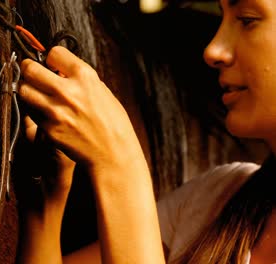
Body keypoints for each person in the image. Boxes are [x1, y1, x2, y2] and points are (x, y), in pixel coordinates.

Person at [16, 0, 276, 263]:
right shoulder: (218, 197)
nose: (213, 50)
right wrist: (45, 205)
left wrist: (119, 161)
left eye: (247, 19)